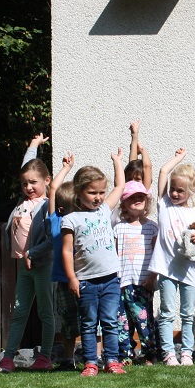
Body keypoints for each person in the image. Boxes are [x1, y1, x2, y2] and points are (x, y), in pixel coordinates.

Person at [61, 150, 127, 376]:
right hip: (86, 281)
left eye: (101, 192)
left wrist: (118, 162)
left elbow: (120, 187)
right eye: (92, 193)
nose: (98, 197)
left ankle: (112, 361)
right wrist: (72, 278)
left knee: (110, 321)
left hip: (110, 278)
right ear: (78, 192)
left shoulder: (103, 211)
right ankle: (91, 362)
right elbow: (67, 250)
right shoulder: (71, 219)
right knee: (88, 324)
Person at [0, 133, 55, 373]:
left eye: (34, 182)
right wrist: (33, 145)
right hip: (24, 266)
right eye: (24, 183)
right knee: (20, 311)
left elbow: (53, 238)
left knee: (45, 311)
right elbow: (26, 167)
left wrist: (32, 252)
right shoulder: (23, 202)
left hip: (42, 265)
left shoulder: (47, 204)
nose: (29, 187)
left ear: (47, 181)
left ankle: (46, 356)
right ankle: (8, 357)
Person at [148, 148, 195, 366]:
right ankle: (168, 353)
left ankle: (186, 353)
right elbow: (164, 171)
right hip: (166, 269)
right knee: (166, 312)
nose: (174, 194)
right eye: (173, 189)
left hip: (188, 271)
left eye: (180, 191)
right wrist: (178, 158)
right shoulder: (163, 205)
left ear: (191, 191)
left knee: (188, 314)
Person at [115, 180, 159, 364]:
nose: (137, 199)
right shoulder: (119, 228)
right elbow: (115, 255)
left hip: (143, 282)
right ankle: (126, 354)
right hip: (122, 282)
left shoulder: (152, 227)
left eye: (141, 197)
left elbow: (157, 255)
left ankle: (150, 353)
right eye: (132, 197)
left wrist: (152, 277)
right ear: (124, 204)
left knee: (144, 320)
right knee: (122, 322)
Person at [47, 151, 79, 370]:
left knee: (90, 320)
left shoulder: (84, 220)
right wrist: (66, 169)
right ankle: (68, 358)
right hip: (63, 281)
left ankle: (91, 357)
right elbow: (53, 190)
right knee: (68, 322)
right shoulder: (56, 221)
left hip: (86, 279)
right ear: (62, 210)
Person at [125, 119, 153, 190]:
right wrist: (134, 136)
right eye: (129, 179)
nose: (133, 183)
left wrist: (142, 150)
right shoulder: (127, 189)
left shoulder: (144, 189)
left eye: (137, 180)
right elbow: (132, 163)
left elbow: (147, 166)